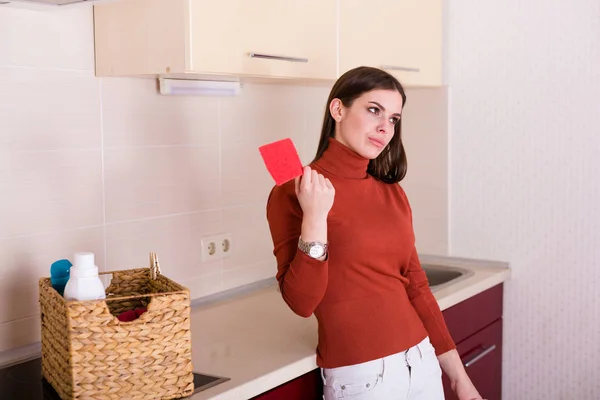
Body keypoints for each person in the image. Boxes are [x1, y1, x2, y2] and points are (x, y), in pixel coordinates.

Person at [265, 66, 483, 400]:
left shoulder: (392, 192)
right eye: (373, 110)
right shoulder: (294, 191)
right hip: (361, 378)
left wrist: (458, 377)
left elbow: (417, 286)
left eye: (394, 118)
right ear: (338, 109)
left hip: (422, 362)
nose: (385, 127)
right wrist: (315, 217)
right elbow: (301, 302)